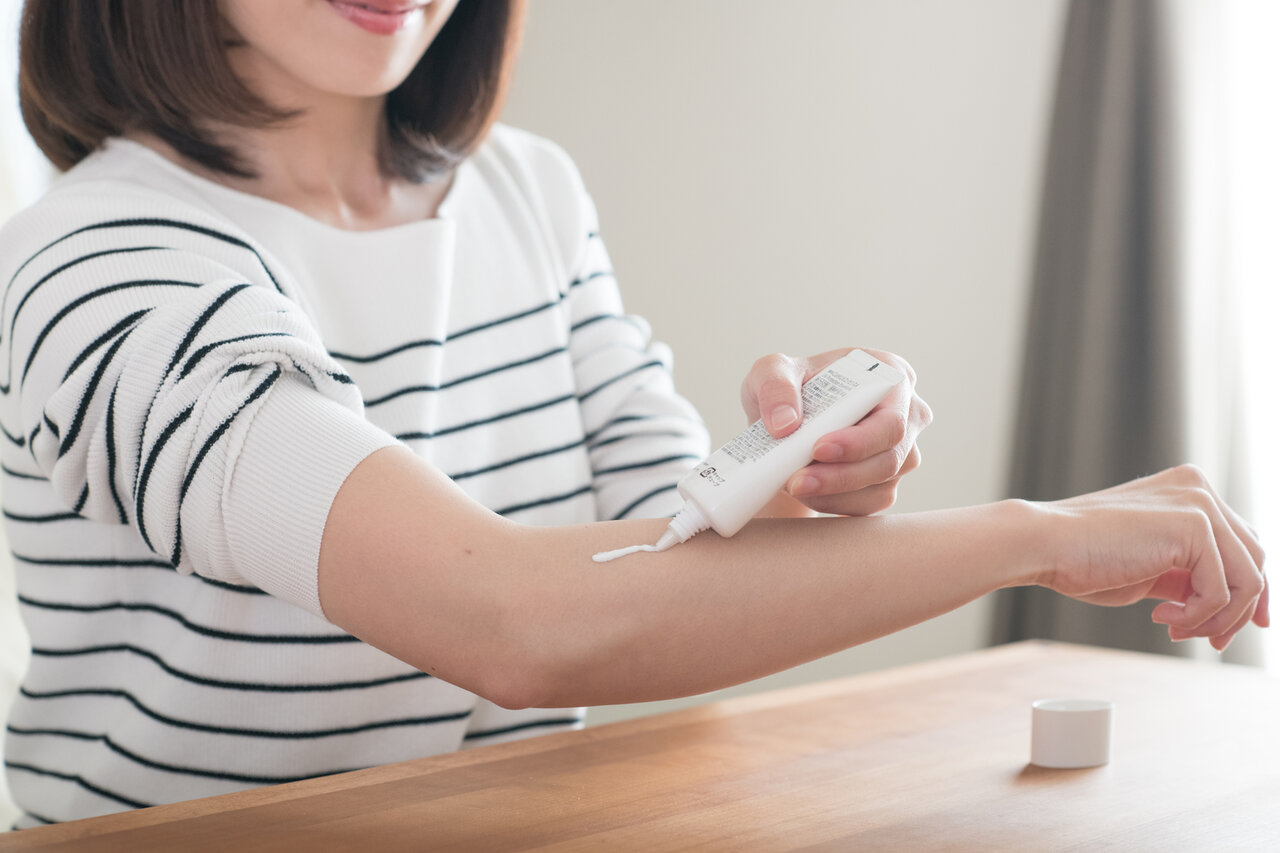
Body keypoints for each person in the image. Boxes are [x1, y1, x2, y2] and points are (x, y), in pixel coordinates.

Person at [0, 0, 1265, 830]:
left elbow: (660, 542)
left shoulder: (523, 192)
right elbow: (513, 621)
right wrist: (1035, 535)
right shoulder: (103, 266)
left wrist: (789, 468)